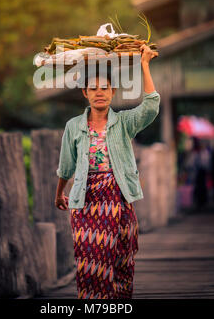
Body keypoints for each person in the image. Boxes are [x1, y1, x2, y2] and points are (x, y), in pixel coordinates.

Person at [55, 44, 160, 299]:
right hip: (86, 200)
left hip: (117, 199)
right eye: (93, 88)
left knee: (120, 259)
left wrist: (144, 64)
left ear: (113, 92)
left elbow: (150, 106)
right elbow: (66, 165)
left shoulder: (124, 123)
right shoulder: (73, 126)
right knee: (90, 261)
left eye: (104, 88)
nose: (99, 93)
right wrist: (59, 193)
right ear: (85, 92)